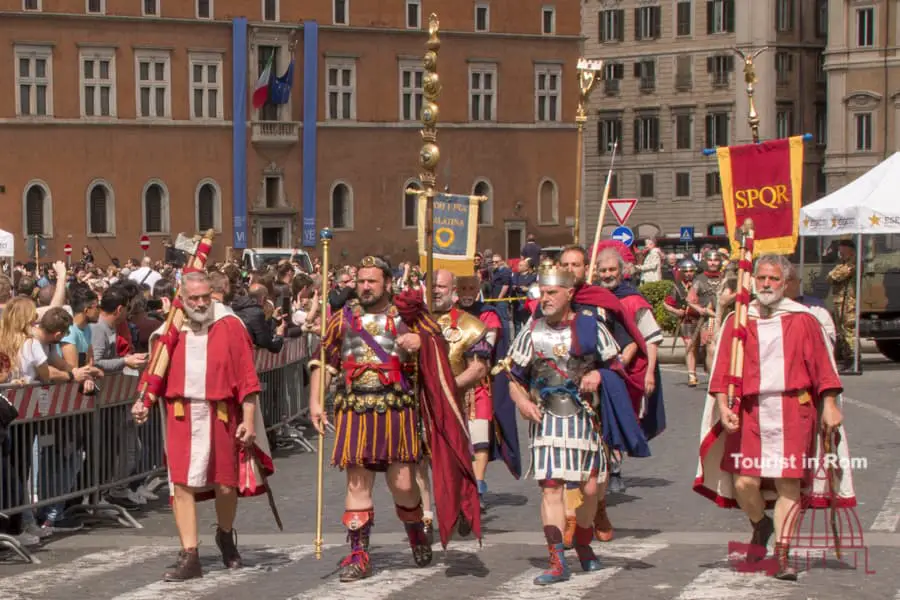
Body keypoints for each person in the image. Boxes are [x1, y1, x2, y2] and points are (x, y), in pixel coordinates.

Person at [306, 256, 480, 582]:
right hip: (354, 408)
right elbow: (324, 360)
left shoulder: (408, 317)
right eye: (361, 281)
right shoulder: (341, 320)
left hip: (396, 410)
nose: (366, 287)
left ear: (387, 283)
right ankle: (359, 554)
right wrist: (316, 402)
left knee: (402, 485)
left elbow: (441, 346)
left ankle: (415, 530)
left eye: (372, 281)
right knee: (358, 483)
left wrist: (422, 341)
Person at [694, 254, 857, 581]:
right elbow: (721, 371)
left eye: (774, 279)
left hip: (793, 410)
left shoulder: (804, 320)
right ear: (753, 280)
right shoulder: (738, 321)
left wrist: (830, 405)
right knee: (744, 482)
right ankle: (760, 523)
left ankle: (782, 553)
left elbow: (825, 369)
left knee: (788, 483)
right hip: (749, 412)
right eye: (762, 278)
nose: (767, 284)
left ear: (786, 283)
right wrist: (724, 408)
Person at [131, 271, 273, 581]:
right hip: (181, 413)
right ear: (182, 298)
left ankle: (224, 534)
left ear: (213, 296)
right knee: (181, 484)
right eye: (193, 298)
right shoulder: (170, 330)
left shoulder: (230, 326)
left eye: (205, 297)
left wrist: (248, 420)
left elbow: (247, 377)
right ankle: (190, 555)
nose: (199, 303)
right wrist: (143, 401)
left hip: (220, 414)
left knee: (225, 484)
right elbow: (155, 371)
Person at [504, 261, 619, 585]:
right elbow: (511, 374)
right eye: (543, 292)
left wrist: (599, 374)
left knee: (590, 489)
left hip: (585, 417)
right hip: (548, 419)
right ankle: (557, 560)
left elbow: (616, 365)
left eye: (553, 292)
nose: (546, 298)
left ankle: (582, 543)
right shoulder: (532, 330)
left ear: (569, 293)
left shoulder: (590, 327)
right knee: (551, 488)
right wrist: (522, 401)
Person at [422, 269, 492, 531]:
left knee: (452, 462)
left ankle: (461, 505)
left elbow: (479, 367)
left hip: (452, 405)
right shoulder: (414, 322)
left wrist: (449, 388)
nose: (436, 290)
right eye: (432, 286)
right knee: (417, 461)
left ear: (453, 291)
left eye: (441, 286)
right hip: (418, 405)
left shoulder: (470, 325)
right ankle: (426, 516)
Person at [662, 259, 702, 386]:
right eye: (686, 271)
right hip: (687, 321)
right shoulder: (677, 287)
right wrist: (676, 311)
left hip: (704, 319)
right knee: (689, 346)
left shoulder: (700, 283)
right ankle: (692, 375)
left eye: (691, 271)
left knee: (704, 347)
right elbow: (666, 304)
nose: (689, 273)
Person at [826, 239, 857, 372]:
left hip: (849, 302)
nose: (840, 253)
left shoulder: (852, 264)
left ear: (850, 251)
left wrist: (833, 274)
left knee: (849, 330)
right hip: (841, 301)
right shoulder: (844, 263)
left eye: (842, 251)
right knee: (842, 331)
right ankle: (847, 359)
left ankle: (854, 360)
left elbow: (834, 276)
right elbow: (830, 277)